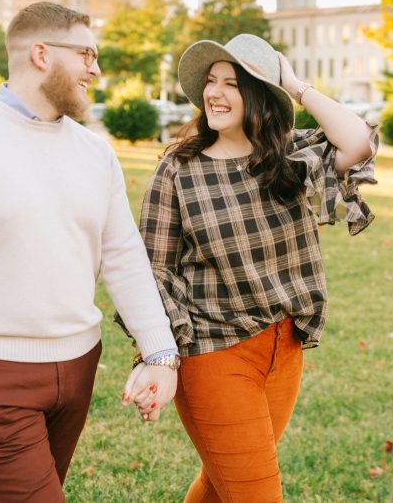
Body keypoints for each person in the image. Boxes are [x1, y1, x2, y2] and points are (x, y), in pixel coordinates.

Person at [0, 1, 181, 503]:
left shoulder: (95, 153)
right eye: (86, 54)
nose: (96, 68)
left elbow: (123, 256)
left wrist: (160, 353)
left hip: (79, 369)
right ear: (40, 54)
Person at [138, 34, 378, 502]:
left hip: (283, 349)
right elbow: (155, 271)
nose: (214, 93)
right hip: (213, 350)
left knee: (220, 483)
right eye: (211, 82)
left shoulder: (288, 158)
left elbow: (358, 142)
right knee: (254, 492)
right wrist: (158, 356)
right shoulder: (178, 169)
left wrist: (294, 85)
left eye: (232, 83)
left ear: (259, 96)